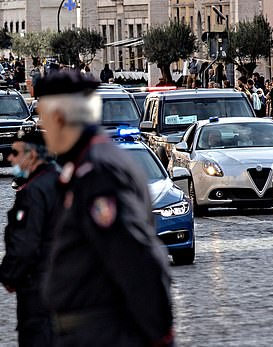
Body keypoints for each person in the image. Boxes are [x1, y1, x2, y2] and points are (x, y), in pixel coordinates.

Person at [34, 69, 174, 346]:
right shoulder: (92, 162)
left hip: (104, 332)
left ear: (59, 118)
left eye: (44, 120)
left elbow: (137, 257)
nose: (43, 131)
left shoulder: (97, 174)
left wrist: (160, 336)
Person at [0, 130, 59, 347]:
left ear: (32, 155)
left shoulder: (32, 192)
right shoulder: (61, 181)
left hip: (38, 285)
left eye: (15, 152)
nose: (10, 158)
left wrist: (9, 275)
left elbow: (26, 243)